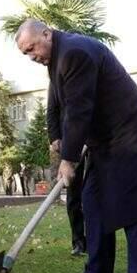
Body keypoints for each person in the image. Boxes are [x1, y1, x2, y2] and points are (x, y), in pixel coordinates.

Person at [15, 19, 137, 273]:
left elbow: (79, 109)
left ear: (46, 33)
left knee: (133, 209)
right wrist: (60, 137)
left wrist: (68, 159)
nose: (32, 56)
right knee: (93, 203)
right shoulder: (57, 56)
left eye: (32, 48)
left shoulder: (74, 52)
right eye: (26, 53)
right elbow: (64, 102)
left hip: (131, 134)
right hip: (105, 142)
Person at [47, 84, 86, 256]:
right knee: (73, 196)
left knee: (94, 196)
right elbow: (52, 109)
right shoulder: (57, 77)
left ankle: (95, 240)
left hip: (94, 143)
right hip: (69, 143)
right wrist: (55, 136)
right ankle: (78, 241)